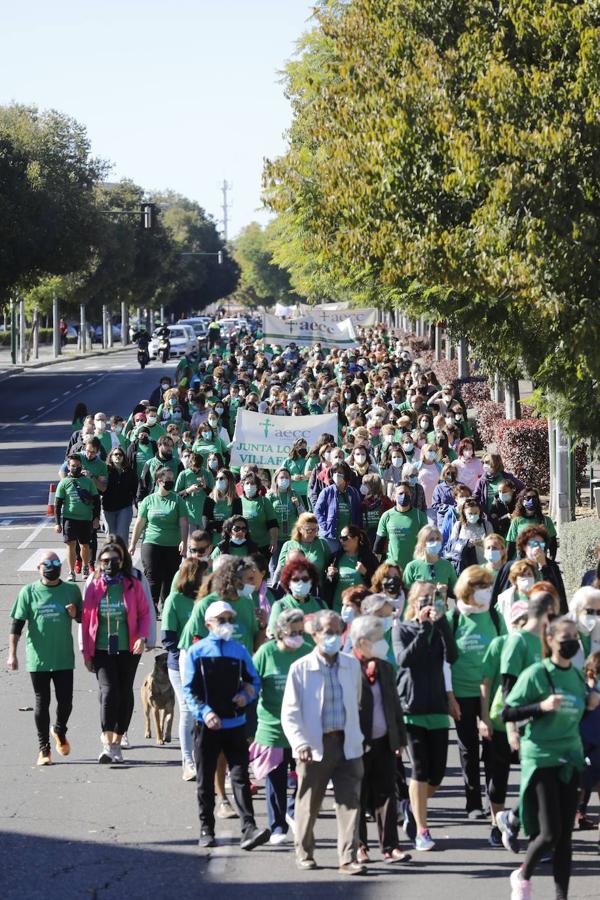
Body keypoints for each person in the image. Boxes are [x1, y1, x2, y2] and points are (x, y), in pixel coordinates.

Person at [503, 616, 597, 900]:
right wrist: (540, 707)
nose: (571, 642)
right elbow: (507, 712)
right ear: (550, 641)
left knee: (566, 836)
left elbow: (578, 710)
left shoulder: (578, 675)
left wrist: (591, 703)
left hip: (570, 756)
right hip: (541, 755)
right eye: (565, 637)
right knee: (549, 833)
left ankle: (561, 896)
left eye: (574, 637)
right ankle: (522, 876)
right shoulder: (537, 674)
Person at [281, 609, 366, 875]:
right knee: (309, 801)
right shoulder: (301, 668)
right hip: (314, 746)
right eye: (328, 632)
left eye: (338, 631)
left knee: (350, 801)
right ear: (315, 635)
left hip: (347, 741)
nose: (334, 637)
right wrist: (299, 743)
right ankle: (305, 852)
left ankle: (347, 858)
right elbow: (290, 712)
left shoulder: (351, 665)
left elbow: (357, 701)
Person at [182, 599, 271, 851]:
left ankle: (249, 828)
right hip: (207, 726)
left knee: (241, 777)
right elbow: (189, 690)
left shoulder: (239, 651)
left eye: (230, 619)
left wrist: (247, 694)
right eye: (221, 620)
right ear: (209, 624)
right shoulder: (196, 653)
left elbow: (253, 680)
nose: (227, 624)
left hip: (235, 724)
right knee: (205, 779)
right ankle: (206, 828)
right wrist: (205, 711)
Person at [394, 580, 458, 851]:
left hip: (436, 708)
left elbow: (453, 656)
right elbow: (405, 660)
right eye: (424, 599)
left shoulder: (440, 628)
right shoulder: (402, 629)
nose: (429, 603)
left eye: (433, 598)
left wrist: (441, 623)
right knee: (419, 771)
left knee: (436, 776)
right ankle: (422, 830)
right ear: (413, 602)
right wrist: (422, 628)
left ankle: (411, 804)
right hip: (411, 709)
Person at [7, 552, 81, 765]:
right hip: (38, 658)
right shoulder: (28, 592)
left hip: (64, 657)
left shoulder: (71, 590)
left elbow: (85, 619)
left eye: (56, 562)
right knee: (42, 701)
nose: (52, 566)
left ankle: (59, 729)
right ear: (39, 567)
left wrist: (76, 613)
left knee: (66, 701)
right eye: (47, 563)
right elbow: (17, 625)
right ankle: (44, 749)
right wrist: (12, 654)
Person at [82, 541, 150, 763]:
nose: (110, 564)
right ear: (99, 563)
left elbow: (145, 614)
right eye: (105, 561)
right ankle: (107, 742)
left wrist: (142, 637)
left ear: (122, 562)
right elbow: (85, 622)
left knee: (124, 692)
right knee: (109, 691)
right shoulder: (94, 586)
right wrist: (85, 653)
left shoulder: (133, 584)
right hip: (101, 648)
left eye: (114, 560)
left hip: (128, 648)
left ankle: (118, 740)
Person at [351, 614, 411, 864]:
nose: (381, 643)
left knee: (387, 794)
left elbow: (395, 706)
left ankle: (390, 847)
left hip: (384, 741)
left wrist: (399, 740)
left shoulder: (386, 668)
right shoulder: (348, 668)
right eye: (376, 639)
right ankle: (359, 847)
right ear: (362, 642)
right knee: (358, 796)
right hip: (357, 744)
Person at [448, 566, 507, 818]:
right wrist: (449, 696)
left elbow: (505, 652)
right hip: (461, 691)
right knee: (468, 748)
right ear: (467, 589)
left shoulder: (494, 616)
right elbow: (445, 659)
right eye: (480, 586)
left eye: (487, 586)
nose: (485, 591)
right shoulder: (454, 618)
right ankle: (472, 803)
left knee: (492, 748)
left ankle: (492, 800)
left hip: (491, 692)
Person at [251, 608, 311, 843]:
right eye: (291, 631)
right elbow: (251, 682)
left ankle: (293, 810)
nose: (296, 636)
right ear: (279, 631)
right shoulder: (266, 653)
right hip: (272, 727)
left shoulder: (308, 652)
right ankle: (277, 826)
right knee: (275, 779)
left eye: (300, 631)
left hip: (302, 728)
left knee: (304, 776)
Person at [479, 599, 529, 848]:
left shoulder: (537, 644)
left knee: (534, 777)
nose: (523, 626)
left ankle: (521, 822)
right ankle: (495, 825)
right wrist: (484, 717)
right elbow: (486, 683)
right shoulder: (500, 644)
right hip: (500, 719)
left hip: (530, 720)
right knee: (498, 778)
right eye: (520, 621)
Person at [161, 557, 208, 781]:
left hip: (208, 667)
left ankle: (204, 758)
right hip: (181, 665)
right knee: (188, 710)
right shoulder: (175, 600)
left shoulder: (208, 600)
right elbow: (168, 639)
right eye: (203, 575)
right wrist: (187, 656)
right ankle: (187, 762)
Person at [129, 466, 189, 613]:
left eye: (172, 479)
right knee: (152, 574)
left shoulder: (177, 500)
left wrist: (184, 542)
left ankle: (166, 605)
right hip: (151, 542)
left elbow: (184, 523)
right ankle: (151, 605)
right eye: (167, 479)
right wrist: (132, 544)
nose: (171, 481)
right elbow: (140, 523)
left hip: (172, 544)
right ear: (159, 480)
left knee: (169, 576)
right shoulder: (148, 501)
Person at [55, 453, 100, 580]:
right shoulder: (64, 483)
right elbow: (57, 504)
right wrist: (57, 523)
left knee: (85, 545)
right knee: (70, 544)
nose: (76, 468)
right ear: (68, 467)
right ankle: (71, 571)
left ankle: (85, 566)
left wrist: (96, 518)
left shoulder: (88, 482)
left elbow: (97, 500)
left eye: (78, 466)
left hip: (85, 519)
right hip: (69, 518)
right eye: (73, 466)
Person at [374, 482, 428, 571]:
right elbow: (378, 547)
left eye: (407, 493)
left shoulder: (419, 516)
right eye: (400, 493)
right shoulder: (387, 516)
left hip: (413, 568)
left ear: (411, 495)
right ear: (394, 496)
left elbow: (426, 544)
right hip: (392, 568)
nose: (404, 496)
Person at [324, 525, 379, 613]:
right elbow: (327, 585)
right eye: (340, 538)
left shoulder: (369, 558)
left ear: (356, 539)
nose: (342, 541)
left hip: (362, 607)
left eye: (345, 538)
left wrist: (365, 573)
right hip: (339, 607)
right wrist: (329, 576)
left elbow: (378, 583)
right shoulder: (335, 558)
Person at [268, 558, 326, 640]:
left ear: (311, 581)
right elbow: (274, 637)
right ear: (288, 582)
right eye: (295, 579)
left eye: (305, 579)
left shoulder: (321, 604)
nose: (300, 582)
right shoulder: (280, 606)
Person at [275, 513, 331, 592]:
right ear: (300, 529)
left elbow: (329, 567)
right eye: (308, 530)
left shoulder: (322, 544)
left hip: (316, 591)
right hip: (292, 590)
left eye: (315, 529)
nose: (313, 532)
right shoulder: (288, 545)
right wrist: (274, 592)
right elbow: (279, 571)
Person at [314, 462, 362, 554]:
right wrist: (325, 526)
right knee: (330, 564)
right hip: (330, 537)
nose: (337, 475)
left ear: (346, 474)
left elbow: (358, 512)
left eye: (340, 472)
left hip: (348, 537)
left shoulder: (353, 492)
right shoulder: (327, 491)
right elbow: (317, 511)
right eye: (334, 472)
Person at [402, 524, 458, 597]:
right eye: (431, 540)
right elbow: (405, 594)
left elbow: (458, 591)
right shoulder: (412, 567)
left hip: (440, 608)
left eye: (437, 539)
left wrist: (444, 590)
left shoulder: (447, 565)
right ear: (423, 543)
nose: (435, 542)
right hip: (418, 607)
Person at [506, 488, 558, 560]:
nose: (532, 500)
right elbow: (510, 546)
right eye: (528, 498)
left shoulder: (546, 520)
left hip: (540, 564)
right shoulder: (516, 521)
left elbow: (553, 545)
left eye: (534, 497)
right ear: (522, 501)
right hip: (523, 564)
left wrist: (551, 562)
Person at [102, 447, 138, 542]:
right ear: (111, 457)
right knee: (111, 535)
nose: (118, 456)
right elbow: (100, 489)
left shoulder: (130, 471)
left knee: (122, 534)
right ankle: (111, 555)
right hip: (108, 507)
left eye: (120, 454)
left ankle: (123, 556)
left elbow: (135, 489)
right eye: (115, 454)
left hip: (125, 507)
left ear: (123, 457)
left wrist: (137, 504)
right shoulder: (105, 470)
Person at [240, 471, 278, 556]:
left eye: (253, 483)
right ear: (242, 486)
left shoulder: (265, 501)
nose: (250, 486)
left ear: (257, 486)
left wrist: (273, 541)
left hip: (263, 545)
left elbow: (272, 524)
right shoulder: (238, 501)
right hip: (243, 545)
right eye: (247, 483)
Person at [496, 559, 538, 630]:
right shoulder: (504, 598)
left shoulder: (541, 597)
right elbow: (500, 625)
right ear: (515, 580)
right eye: (522, 575)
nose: (526, 577)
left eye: (529, 574)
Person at [204, 469, 243, 545]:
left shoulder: (237, 501)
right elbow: (206, 523)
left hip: (229, 541)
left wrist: (215, 525)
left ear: (229, 481)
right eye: (217, 478)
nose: (218, 480)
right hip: (212, 542)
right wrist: (224, 524)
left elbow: (236, 522)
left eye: (221, 478)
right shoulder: (209, 499)